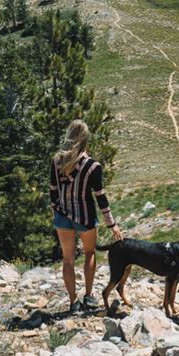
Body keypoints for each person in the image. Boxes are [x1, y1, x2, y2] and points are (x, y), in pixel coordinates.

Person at [50, 119, 123, 313]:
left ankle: (73, 301)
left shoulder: (57, 160)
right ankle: (89, 296)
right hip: (85, 217)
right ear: (85, 139)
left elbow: (53, 191)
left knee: (68, 260)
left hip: (62, 217)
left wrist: (58, 211)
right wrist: (112, 224)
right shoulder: (93, 166)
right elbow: (100, 197)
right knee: (90, 253)